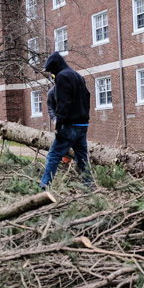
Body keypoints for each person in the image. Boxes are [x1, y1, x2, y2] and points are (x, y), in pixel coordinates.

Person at [39, 51, 93, 189]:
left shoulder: (62, 76)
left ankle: (44, 187)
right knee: (82, 158)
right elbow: (87, 97)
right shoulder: (78, 76)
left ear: (55, 66)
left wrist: (59, 127)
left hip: (70, 125)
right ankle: (89, 186)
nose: (51, 74)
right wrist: (85, 118)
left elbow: (64, 103)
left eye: (51, 71)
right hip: (82, 124)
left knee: (53, 155)